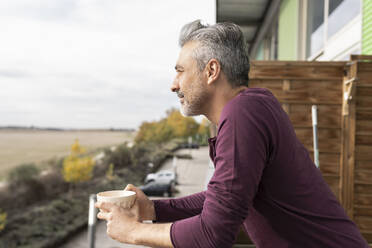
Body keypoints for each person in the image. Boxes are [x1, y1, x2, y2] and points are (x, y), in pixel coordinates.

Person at [95, 20, 369, 248]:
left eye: (180, 71)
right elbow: (224, 198)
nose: (173, 85)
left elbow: (213, 233)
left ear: (211, 71)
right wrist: (153, 210)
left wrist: (133, 231)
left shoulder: (243, 113)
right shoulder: (253, 106)